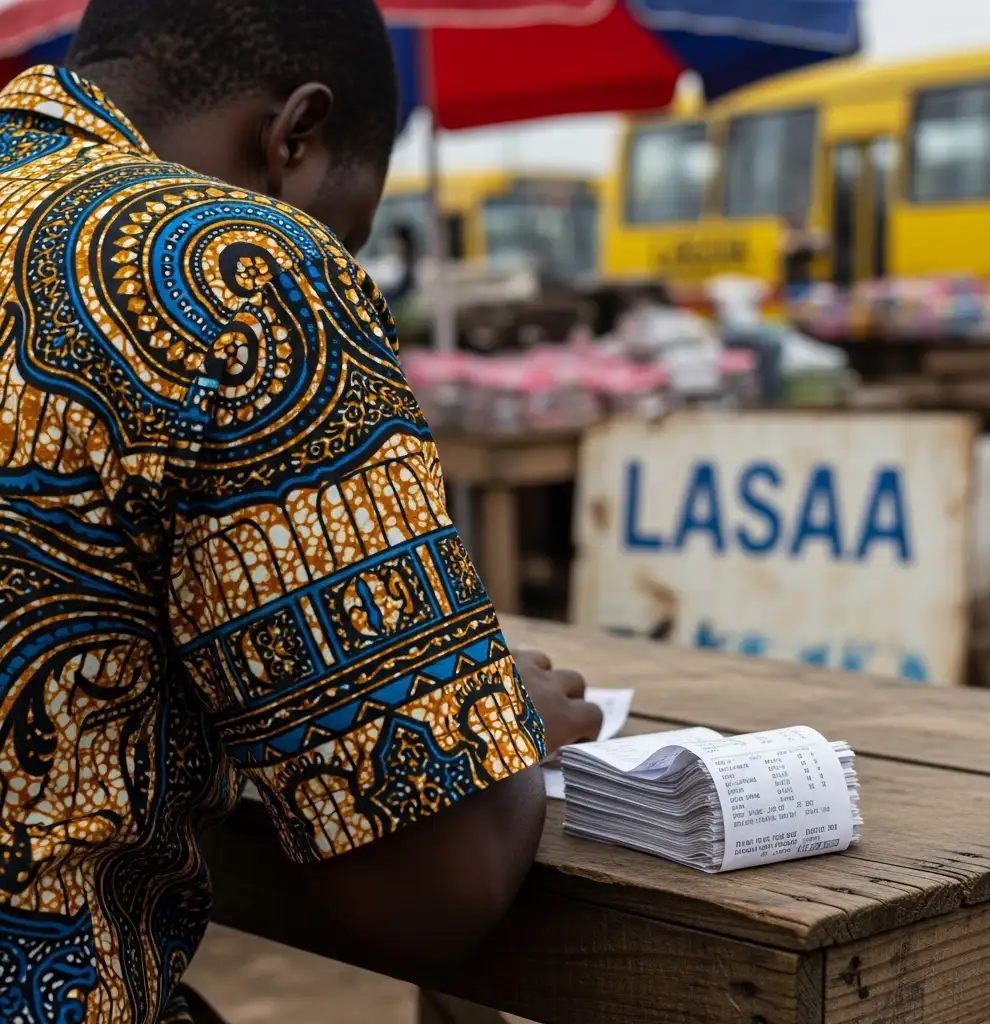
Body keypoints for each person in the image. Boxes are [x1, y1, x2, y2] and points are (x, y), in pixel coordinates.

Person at [0, 2, 603, 1022]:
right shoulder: (232, 268)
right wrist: (495, 723)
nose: (336, 253)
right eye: (347, 229)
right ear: (295, 136)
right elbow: (429, 892)